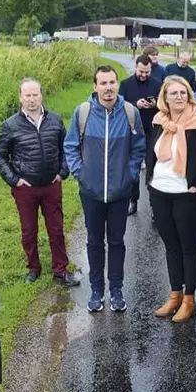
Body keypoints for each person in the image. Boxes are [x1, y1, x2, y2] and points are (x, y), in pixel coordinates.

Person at [64, 66, 146, 313]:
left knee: (117, 242)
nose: (108, 88)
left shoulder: (130, 113)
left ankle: (117, 289)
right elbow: (70, 147)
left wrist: (130, 176)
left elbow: (138, 148)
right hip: (91, 193)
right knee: (94, 242)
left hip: (120, 192)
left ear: (117, 84)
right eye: (103, 83)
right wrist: (82, 174)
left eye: (112, 82)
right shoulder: (84, 113)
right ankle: (97, 289)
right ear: (95, 86)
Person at [0, 78, 79, 287]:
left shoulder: (56, 120)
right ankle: (33, 268)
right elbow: (0, 155)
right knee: (29, 230)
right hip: (26, 189)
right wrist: (14, 180)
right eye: (27, 95)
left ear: (41, 96)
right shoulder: (10, 125)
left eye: (35, 95)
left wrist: (62, 172)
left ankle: (60, 269)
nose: (31, 100)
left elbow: (66, 148)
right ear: (20, 98)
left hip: (51, 185)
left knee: (56, 229)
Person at [149, 76, 196, 323]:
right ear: (164, 98)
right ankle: (174, 294)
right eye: (173, 93)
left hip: (188, 196)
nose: (178, 97)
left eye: (183, 93)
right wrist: (150, 181)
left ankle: (189, 298)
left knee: (189, 247)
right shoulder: (159, 121)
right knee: (171, 245)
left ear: (189, 95)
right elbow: (152, 154)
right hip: (160, 191)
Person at [119, 54, 163, 215]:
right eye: (141, 71)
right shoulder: (125, 84)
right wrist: (134, 104)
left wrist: (155, 104)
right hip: (132, 131)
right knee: (133, 168)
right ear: (135, 67)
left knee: (154, 168)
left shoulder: (158, 84)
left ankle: (155, 205)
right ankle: (133, 200)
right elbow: (119, 105)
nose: (144, 75)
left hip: (153, 132)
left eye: (147, 72)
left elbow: (164, 105)